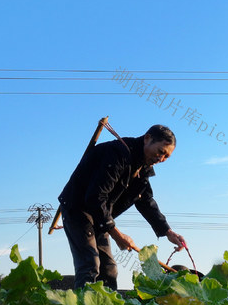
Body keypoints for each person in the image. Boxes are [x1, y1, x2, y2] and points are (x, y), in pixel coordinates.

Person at [58, 124, 185, 290]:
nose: (161, 159)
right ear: (147, 139)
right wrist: (117, 235)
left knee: (109, 269)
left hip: (99, 216)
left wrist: (168, 231)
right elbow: (95, 197)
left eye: (166, 157)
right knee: (90, 265)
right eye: (161, 152)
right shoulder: (117, 154)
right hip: (78, 209)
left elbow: (145, 200)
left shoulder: (143, 168)